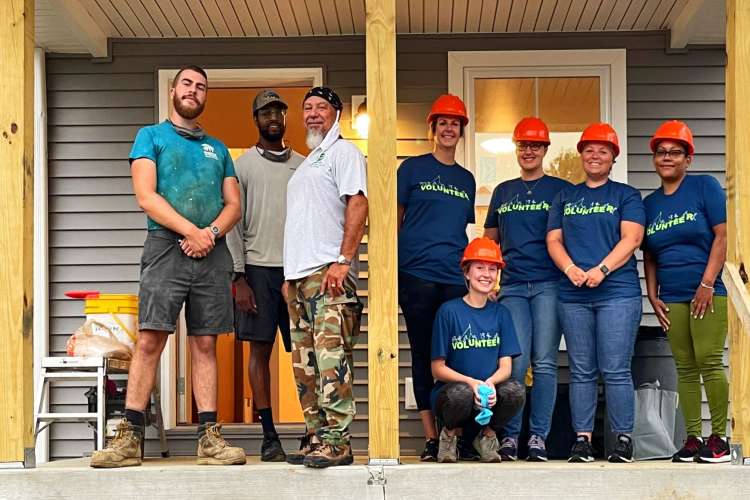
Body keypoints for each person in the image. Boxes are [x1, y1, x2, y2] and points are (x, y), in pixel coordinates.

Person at [90, 65, 245, 468]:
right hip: (164, 248)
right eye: (187, 84)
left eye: (201, 86)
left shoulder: (218, 148)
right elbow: (146, 195)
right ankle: (129, 440)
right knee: (150, 340)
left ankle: (210, 440)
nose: (194, 90)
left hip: (212, 252)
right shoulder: (151, 136)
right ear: (173, 90)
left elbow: (233, 204)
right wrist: (191, 231)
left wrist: (207, 233)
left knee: (206, 343)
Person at [546, 123, 645, 463]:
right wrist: (570, 269)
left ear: (613, 157)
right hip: (573, 296)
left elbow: (631, 239)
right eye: (589, 149)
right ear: (581, 155)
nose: (595, 155)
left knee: (616, 368)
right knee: (582, 370)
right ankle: (583, 440)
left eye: (603, 150)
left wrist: (601, 269)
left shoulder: (626, 195)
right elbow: (554, 240)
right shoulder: (565, 197)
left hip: (617, 292)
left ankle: (622, 439)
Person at [282, 86, 368, 468]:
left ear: (337, 113)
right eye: (308, 108)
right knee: (305, 366)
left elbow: (358, 201)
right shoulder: (309, 161)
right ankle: (316, 436)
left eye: (322, 107)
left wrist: (344, 260)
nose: (313, 114)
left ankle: (338, 441)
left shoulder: (343, 153)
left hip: (327, 274)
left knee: (331, 360)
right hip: (299, 280)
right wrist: (288, 277)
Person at [484, 117, 571, 461]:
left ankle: (538, 437)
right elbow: (490, 240)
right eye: (523, 145)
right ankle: (510, 437)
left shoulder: (560, 189)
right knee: (515, 365)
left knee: (546, 362)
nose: (529, 151)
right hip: (515, 286)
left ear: (546, 149)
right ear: (516, 149)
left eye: (536, 145)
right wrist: (490, 279)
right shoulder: (503, 191)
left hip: (550, 284)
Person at [642, 120, 730, 463]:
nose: (667, 158)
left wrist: (707, 283)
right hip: (672, 295)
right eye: (661, 152)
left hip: (707, 292)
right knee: (685, 368)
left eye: (675, 152)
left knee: (708, 361)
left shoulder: (704, 187)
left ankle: (719, 438)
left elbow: (721, 237)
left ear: (687, 158)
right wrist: (652, 293)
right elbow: (649, 254)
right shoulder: (649, 205)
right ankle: (694, 438)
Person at [397, 94, 476, 461]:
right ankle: (432, 438)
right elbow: (394, 221)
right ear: (432, 128)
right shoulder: (411, 169)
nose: (448, 128)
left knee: (455, 357)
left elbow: (461, 230)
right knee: (423, 354)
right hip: (415, 274)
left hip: (453, 278)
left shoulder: (466, 179)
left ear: (461, 131)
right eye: (442, 122)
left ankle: (454, 434)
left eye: (455, 123)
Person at [227, 89, 304, 462]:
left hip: (298, 270)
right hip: (256, 269)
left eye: (279, 111)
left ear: (286, 118)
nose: (273, 117)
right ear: (255, 119)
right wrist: (238, 276)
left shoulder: (305, 165)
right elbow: (232, 224)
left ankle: (313, 431)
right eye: (265, 112)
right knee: (260, 351)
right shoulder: (241, 167)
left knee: (306, 352)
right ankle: (269, 435)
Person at [431, 237, 526, 463]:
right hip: (455, 396)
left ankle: (487, 437)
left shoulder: (501, 313)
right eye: (480, 267)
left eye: (492, 269)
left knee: (515, 391)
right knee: (460, 393)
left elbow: (506, 366)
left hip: (488, 396)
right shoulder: (449, 311)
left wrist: (490, 383)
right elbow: (437, 369)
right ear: (466, 272)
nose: (487, 274)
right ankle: (449, 436)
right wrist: (472, 383)